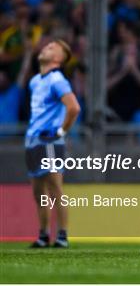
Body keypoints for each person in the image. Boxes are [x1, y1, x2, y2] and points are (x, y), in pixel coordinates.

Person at [25, 39, 81, 248]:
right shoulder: (35, 81)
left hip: (49, 139)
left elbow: (73, 108)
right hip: (33, 139)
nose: (45, 48)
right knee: (38, 191)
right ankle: (43, 235)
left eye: (51, 47)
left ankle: (62, 235)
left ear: (59, 58)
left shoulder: (57, 79)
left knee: (55, 188)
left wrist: (60, 131)